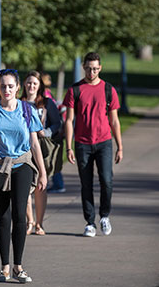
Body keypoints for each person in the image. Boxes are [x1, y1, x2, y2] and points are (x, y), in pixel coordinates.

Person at [0, 69, 47, 283]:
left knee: (20, 217)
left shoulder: (27, 110)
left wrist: (42, 172)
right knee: (3, 216)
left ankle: (18, 267)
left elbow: (34, 143)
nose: (6, 90)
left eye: (10, 86)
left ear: (17, 88)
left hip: (22, 165)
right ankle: (4, 267)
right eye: (3, 86)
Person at [63, 52, 123, 237]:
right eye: (89, 69)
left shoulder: (108, 90)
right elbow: (69, 120)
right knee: (86, 184)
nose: (92, 72)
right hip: (83, 144)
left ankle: (104, 216)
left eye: (96, 69)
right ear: (84, 67)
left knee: (107, 180)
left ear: (100, 68)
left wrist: (120, 146)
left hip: (104, 142)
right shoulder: (75, 90)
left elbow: (114, 121)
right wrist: (69, 147)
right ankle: (90, 223)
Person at [21, 71, 63, 236]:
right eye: (29, 83)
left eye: (35, 84)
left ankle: (39, 223)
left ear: (40, 86)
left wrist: (46, 132)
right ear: (24, 85)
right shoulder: (18, 103)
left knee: (40, 187)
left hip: (41, 149)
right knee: (23, 188)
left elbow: (57, 123)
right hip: (22, 150)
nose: (31, 86)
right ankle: (29, 222)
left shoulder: (46, 103)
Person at [41, 73, 66, 194]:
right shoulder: (49, 93)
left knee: (51, 159)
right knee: (52, 159)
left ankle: (58, 184)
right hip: (53, 132)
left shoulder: (45, 96)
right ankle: (57, 183)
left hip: (49, 133)